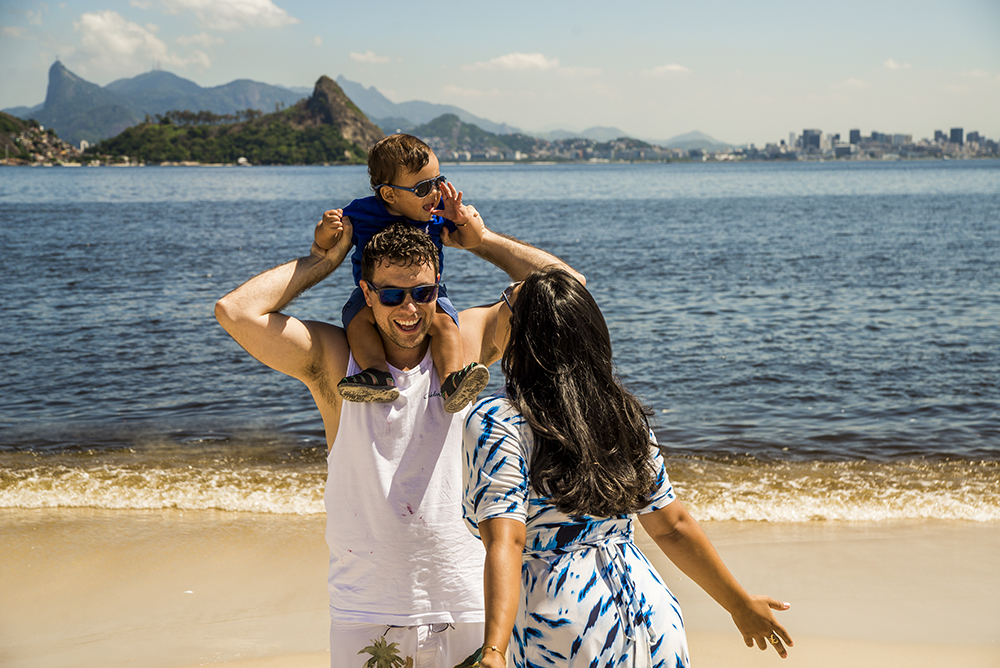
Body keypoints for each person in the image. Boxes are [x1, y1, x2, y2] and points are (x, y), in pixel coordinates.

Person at [215, 208, 584, 667]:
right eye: (391, 295)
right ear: (367, 294)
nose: (409, 309)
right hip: (367, 609)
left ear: (438, 291)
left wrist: (482, 240)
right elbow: (235, 312)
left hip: (469, 603)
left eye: (423, 293)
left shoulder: (465, 345)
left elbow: (568, 287)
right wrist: (321, 262)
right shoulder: (337, 362)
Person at [463, 267, 793, 667]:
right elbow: (671, 525)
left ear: (522, 333)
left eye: (506, 303)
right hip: (650, 616)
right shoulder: (623, 413)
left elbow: (507, 540)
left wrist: (494, 650)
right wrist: (738, 604)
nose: (497, 309)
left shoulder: (499, 418)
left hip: (561, 625)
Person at [315, 133, 489, 413]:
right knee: (357, 321)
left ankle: (452, 381)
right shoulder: (363, 212)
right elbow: (326, 245)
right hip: (374, 293)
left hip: (427, 293)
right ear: (389, 194)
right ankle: (376, 374)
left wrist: (461, 219)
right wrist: (326, 229)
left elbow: (473, 241)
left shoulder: (437, 213)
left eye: (438, 181)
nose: (434, 192)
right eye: (423, 188)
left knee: (445, 325)